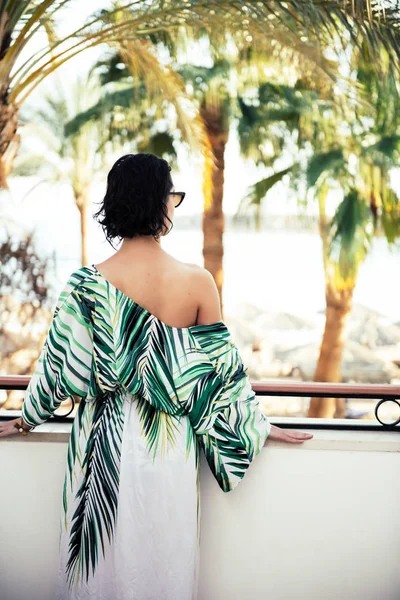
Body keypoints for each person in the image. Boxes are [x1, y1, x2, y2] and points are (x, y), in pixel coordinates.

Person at [0, 153, 313, 599]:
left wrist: (22, 420)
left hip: (100, 451)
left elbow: (56, 373)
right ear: (158, 203)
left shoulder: (85, 285)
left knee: (96, 570)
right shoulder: (198, 282)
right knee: (162, 565)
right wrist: (260, 426)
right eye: (173, 197)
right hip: (169, 453)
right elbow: (221, 379)